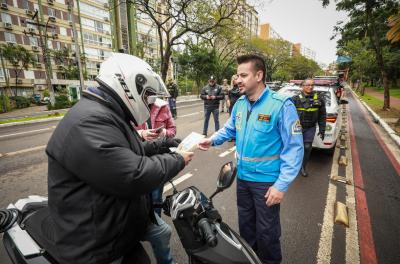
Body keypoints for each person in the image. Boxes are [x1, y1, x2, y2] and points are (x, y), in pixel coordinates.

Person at [46, 53, 194, 264]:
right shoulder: (90, 121)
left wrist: (163, 144)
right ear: (128, 86)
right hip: (96, 248)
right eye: (147, 96)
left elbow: (124, 151)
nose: (149, 103)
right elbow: (133, 175)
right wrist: (177, 159)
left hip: (115, 234)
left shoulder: (105, 113)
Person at [198, 54, 304, 264]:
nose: (238, 79)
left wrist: (281, 186)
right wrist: (212, 140)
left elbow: (294, 149)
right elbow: (229, 129)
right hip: (243, 178)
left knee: (267, 233)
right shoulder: (240, 104)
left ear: (259, 75)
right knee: (246, 230)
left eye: (243, 75)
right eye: (237, 75)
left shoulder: (281, 105)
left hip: (266, 182)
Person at [292, 79, 326, 177]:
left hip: (310, 128)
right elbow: (287, 115)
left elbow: (322, 115)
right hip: (296, 128)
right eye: (307, 85)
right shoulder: (295, 99)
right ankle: (293, 165)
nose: (310, 87)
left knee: (307, 148)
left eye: (312, 85)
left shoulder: (319, 99)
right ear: (302, 86)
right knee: (295, 148)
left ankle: (303, 167)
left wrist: (322, 129)